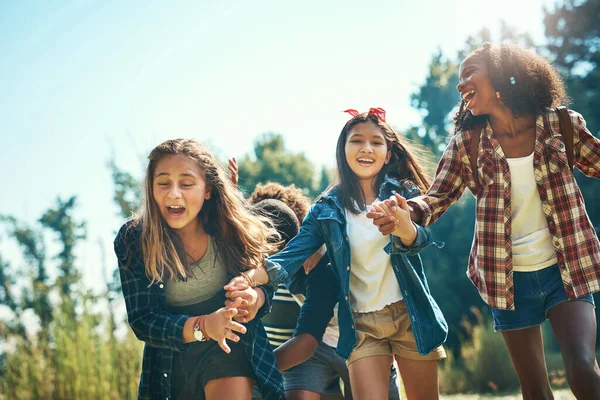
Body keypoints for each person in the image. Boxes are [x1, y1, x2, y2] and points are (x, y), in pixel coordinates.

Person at [370, 43, 600, 399]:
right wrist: (405, 210)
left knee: (583, 366)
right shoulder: (468, 144)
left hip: (565, 267)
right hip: (507, 280)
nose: (461, 87)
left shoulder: (561, 125)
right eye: (459, 82)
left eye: (469, 75)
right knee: (535, 390)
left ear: (503, 75)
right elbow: (435, 198)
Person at [233, 108, 447, 400]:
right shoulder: (326, 209)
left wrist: (404, 228)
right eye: (356, 140)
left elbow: (420, 238)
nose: (366, 148)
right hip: (360, 325)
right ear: (342, 150)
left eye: (376, 142)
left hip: (409, 314)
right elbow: (290, 254)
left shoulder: (402, 194)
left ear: (387, 154)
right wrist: (250, 277)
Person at [113, 139, 287, 400]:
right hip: (169, 366)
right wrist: (205, 326)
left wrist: (256, 298)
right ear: (151, 188)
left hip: (229, 347)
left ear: (207, 189)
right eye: (163, 183)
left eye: (186, 183)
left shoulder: (230, 228)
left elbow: (265, 280)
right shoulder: (134, 238)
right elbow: (143, 320)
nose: (174, 193)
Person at [247, 182, 402, 400]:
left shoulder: (326, 267)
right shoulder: (281, 268)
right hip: (320, 344)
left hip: (362, 340)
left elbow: (305, 345)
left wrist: (252, 373)